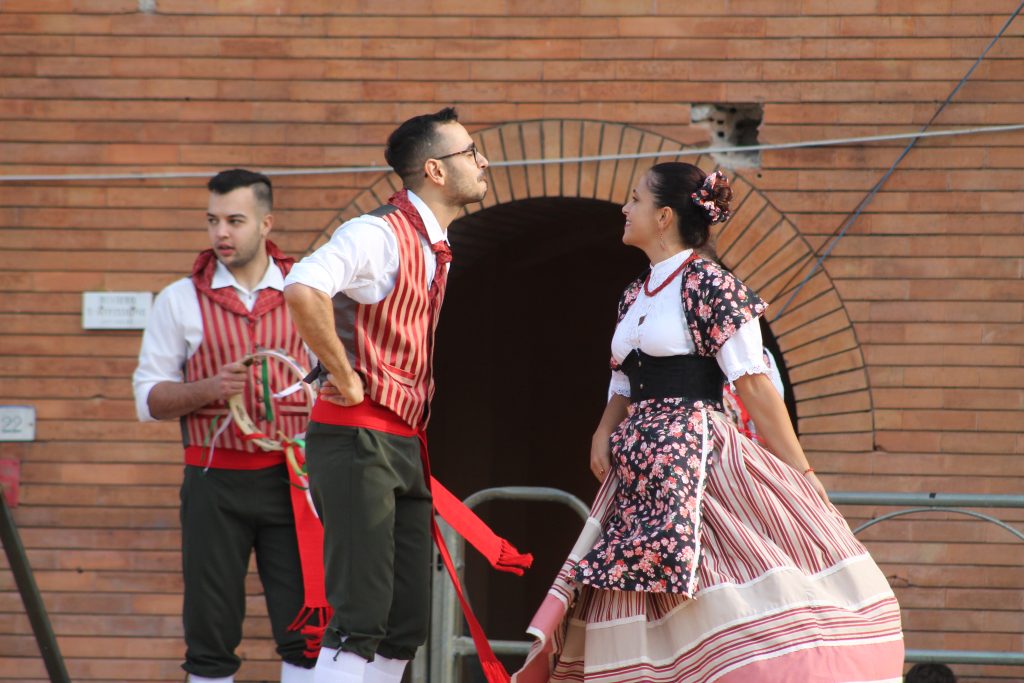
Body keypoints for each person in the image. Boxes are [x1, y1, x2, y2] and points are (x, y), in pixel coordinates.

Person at [514, 163, 905, 682]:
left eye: (636, 200)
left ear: (664, 217)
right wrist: (602, 431)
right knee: (633, 592)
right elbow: (623, 382)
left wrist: (804, 476)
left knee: (708, 585)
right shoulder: (633, 293)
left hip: (697, 462)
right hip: (638, 471)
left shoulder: (712, 284)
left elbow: (754, 386)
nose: (625, 209)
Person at [284, 107, 531, 683]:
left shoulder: (432, 242)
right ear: (435, 170)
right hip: (357, 438)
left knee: (404, 620)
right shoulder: (377, 233)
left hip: (401, 443)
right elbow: (302, 287)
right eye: (470, 152)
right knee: (360, 615)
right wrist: (343, 376)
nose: (483, 161)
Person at [133, 169, 320, 683]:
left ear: (266, 223)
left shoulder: (308, 290)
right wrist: (210, 388)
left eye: (235, 221)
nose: (221, 233)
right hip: (213, 481)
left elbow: (339, 379)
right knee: (209, 631)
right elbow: (149, 400)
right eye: (213, 221)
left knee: (308, 626)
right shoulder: (178, 299)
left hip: (296, 479)